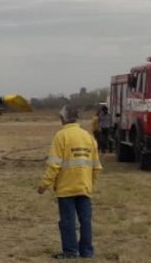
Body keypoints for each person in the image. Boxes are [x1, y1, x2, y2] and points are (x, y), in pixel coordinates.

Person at [38, 105, 103, 259]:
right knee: (85, 221)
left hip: (66, 188)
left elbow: (54, 164)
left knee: (68, 222)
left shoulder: (61, 136)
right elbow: (96, 166)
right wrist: (90, 184)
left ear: (63, 118)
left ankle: (70, 252)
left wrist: (44, 184)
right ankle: (87, 252)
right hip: (85, 187)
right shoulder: (88, 136)